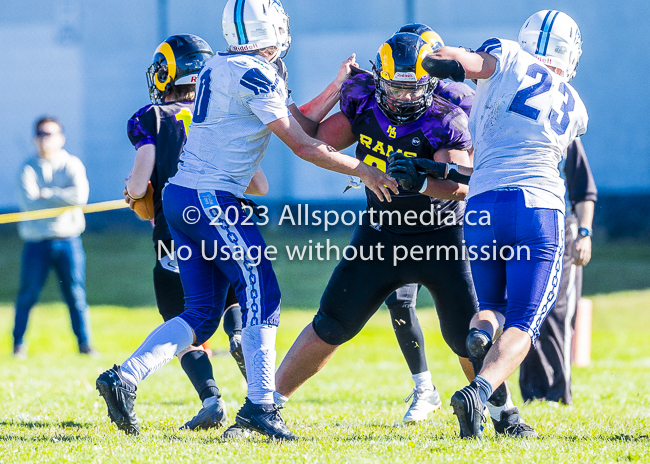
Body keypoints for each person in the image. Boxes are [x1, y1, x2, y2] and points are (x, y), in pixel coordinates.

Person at [96, 0, 396, 440]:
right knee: (262, 293)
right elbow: (304, 144)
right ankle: (260, 405)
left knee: (201, 314)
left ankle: (125, 376)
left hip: (182, 197)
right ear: (272, 28)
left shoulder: (221, 66)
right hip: (212, 198)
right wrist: (364, 170)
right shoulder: (256, 74)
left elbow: (296, 119)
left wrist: (336, 87)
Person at [272, 30, 535, 437]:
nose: (402, 97)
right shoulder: (362, 97)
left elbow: (463, 183)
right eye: (394, 86)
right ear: (379, 79)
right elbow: (317, 140)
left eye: (413, 88)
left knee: (467, 336)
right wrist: (335, 89)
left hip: (442, 237)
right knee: (332, 323)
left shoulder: (449, 112)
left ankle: (502, 412)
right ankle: (267, 405)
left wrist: (422, 183)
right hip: (381, 236)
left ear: (431, 83)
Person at [419, 10, 588, 437]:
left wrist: (435, 58)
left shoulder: (509, 55)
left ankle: (479, 344)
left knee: (489, 307)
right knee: (525, 321)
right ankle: (479, 390)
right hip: (537, 207)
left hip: (481, 203)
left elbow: (464, 63)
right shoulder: (577, 106)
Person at [101, 34, 256, 434]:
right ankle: (236, 340)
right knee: (232, 296)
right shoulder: (221, 115)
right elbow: (259, 184)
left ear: (167, 73)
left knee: (184, 317)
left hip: (176, 231)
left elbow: (139, 184)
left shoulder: (153, 117)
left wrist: (133, 192)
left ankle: (210, 398)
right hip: (226, 221)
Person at [519, 137, 597, 404]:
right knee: (522, 309)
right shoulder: (509, 129)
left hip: (561, 226)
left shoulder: (565, 134)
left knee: (557, 310)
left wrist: (584, 234)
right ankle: (531, 392)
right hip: (522, 223)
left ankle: (557, 393)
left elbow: (584, 191)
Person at [13, 116, 95, 358]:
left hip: (68, 240)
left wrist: (46, 193)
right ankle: (18, 344)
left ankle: (85, 344)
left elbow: (79, 197)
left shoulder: (72, 164)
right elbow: (29, 201)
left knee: (76, 294)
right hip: (36, 242)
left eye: (50, 134)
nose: (44, 139)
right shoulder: (27, 167)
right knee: (27, 295)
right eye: (40, 134)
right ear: (34, 138)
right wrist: (61, 197)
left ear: (61, 138)